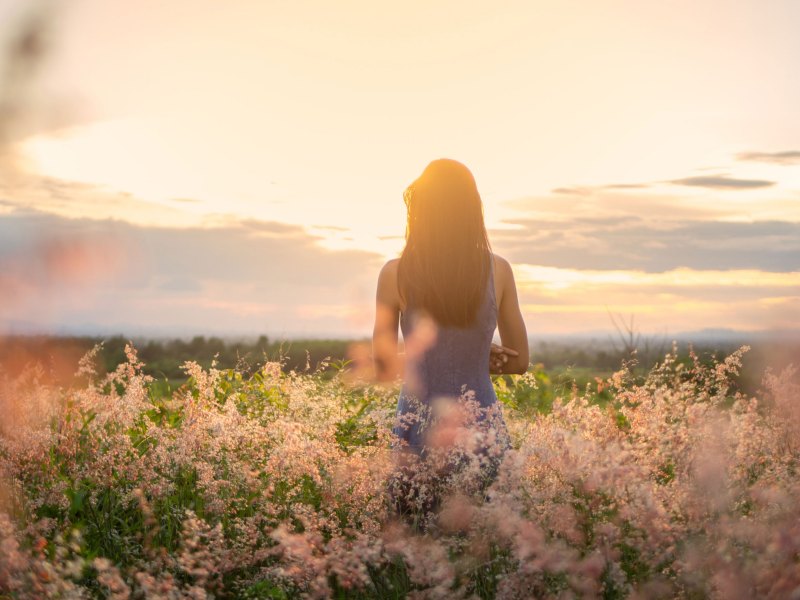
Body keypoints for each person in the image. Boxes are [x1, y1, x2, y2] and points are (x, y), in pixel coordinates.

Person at [372, 159, 529, 519]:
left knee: (416, 537)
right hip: (481, 425)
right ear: (472, 209)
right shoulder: (499, 271)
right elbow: (520, 361)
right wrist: (475, 352)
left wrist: (430, 353)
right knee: (483, 539)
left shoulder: (394, 273)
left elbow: (381, 364)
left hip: (417, 422)